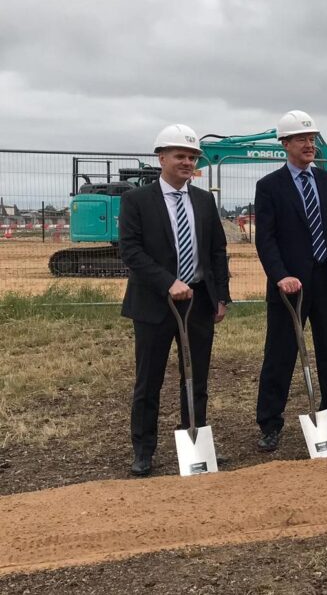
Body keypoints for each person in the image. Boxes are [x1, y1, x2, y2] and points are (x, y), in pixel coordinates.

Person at [120, 124, 230, 476]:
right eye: (180, 156)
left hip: (197, 302)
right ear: (161, 158)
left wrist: (221, 297)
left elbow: (216, 250)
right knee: (148, 379)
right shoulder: (136, 201)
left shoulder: (203, 200)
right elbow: (132, 251)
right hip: (155, 304)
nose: (187, 162)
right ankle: (144, 450)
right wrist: (169, 282)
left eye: (192, 157)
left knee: (195, 378)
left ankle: (195, 442)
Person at [253, 110, 327, 451]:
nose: (309, 144)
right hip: (290, 287)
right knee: (281, 353)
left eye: (312, 138)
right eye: (301, 139)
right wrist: (280, 275)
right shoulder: (269, 187)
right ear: (285, 144)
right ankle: (270, 423)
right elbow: (266, 239)